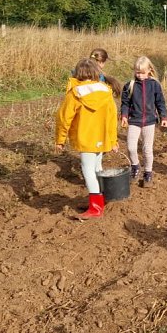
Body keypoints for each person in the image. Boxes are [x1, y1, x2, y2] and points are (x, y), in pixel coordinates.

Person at [55, 58, 119, 220]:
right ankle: (100, 200)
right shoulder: (106, 91)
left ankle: (96, 207)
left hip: (86, 138)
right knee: (97, 167)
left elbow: (64, 119)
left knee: (87, 170)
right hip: (102, 138)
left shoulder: (75, 93)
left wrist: (60, 140)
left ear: (78, 74)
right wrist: (113, 141)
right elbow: (112, 118)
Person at [120, 56, 167, 188]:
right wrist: (124, 115)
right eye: (137, 72)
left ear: (149, 71)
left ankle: (148, 172)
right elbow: (125, 103)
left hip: (149, 121)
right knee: (130, 147)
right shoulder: (129, 85)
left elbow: (160, 102)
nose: (140, 75)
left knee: (147, 149)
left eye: (142, 72)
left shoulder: (154, 85)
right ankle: (135, 166)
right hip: (134, 120)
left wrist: (163, 117)